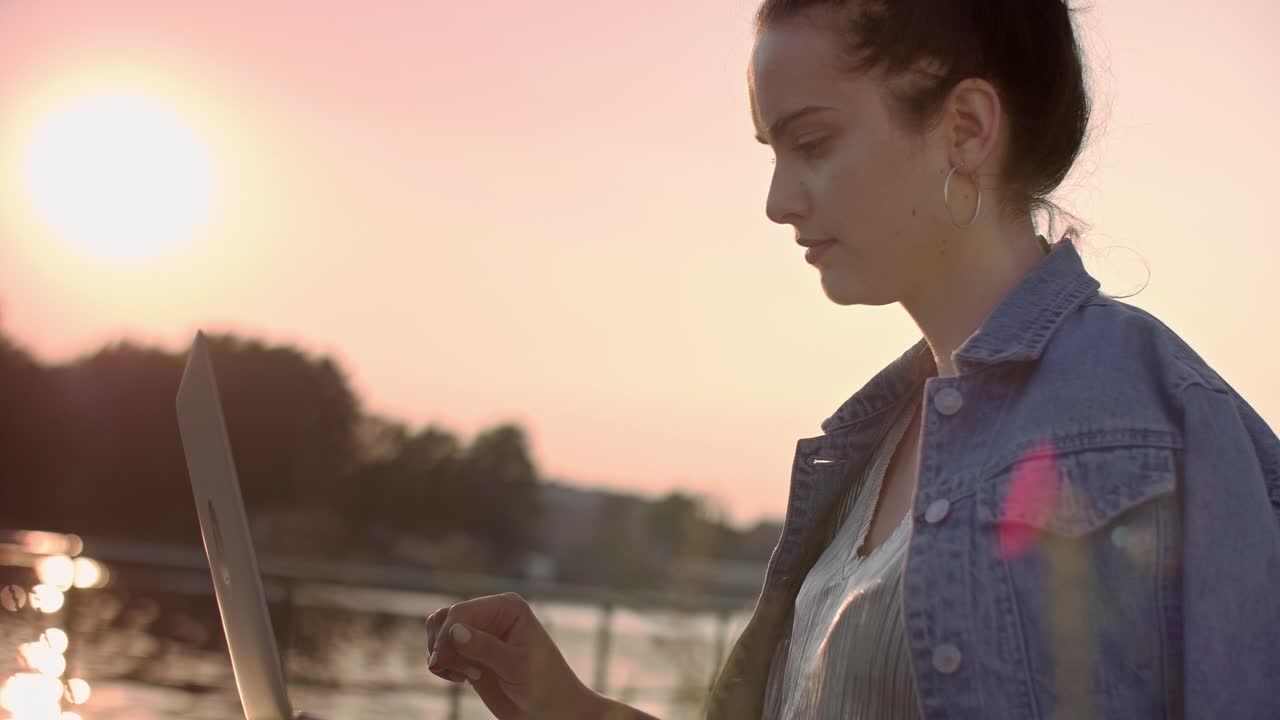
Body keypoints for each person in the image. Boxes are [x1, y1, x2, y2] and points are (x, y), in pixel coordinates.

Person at [420, 1, 1280, 718]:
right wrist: (564, 703)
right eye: (773, 151)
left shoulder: (1160, 426)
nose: (776, 200)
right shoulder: (873, 443)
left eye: (814, 142)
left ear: (967, 128)